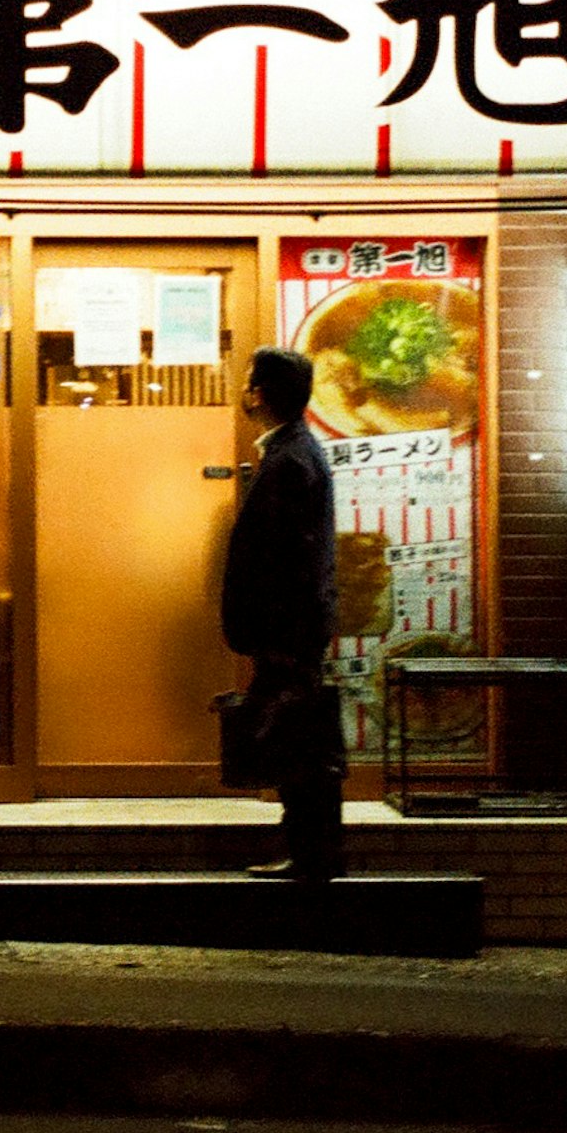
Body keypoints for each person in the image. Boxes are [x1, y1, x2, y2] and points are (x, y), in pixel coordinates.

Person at [223, 344, 343, 879]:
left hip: (288, 629)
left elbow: (282, 557)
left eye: (250, 382)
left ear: (262, 393)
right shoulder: (294, 452)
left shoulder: (290, 460)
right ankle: (309, 852)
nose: (244, 391)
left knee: (300, 741)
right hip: (294, 626)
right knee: (299, 737)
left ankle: (312, 856)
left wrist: (269, 632)